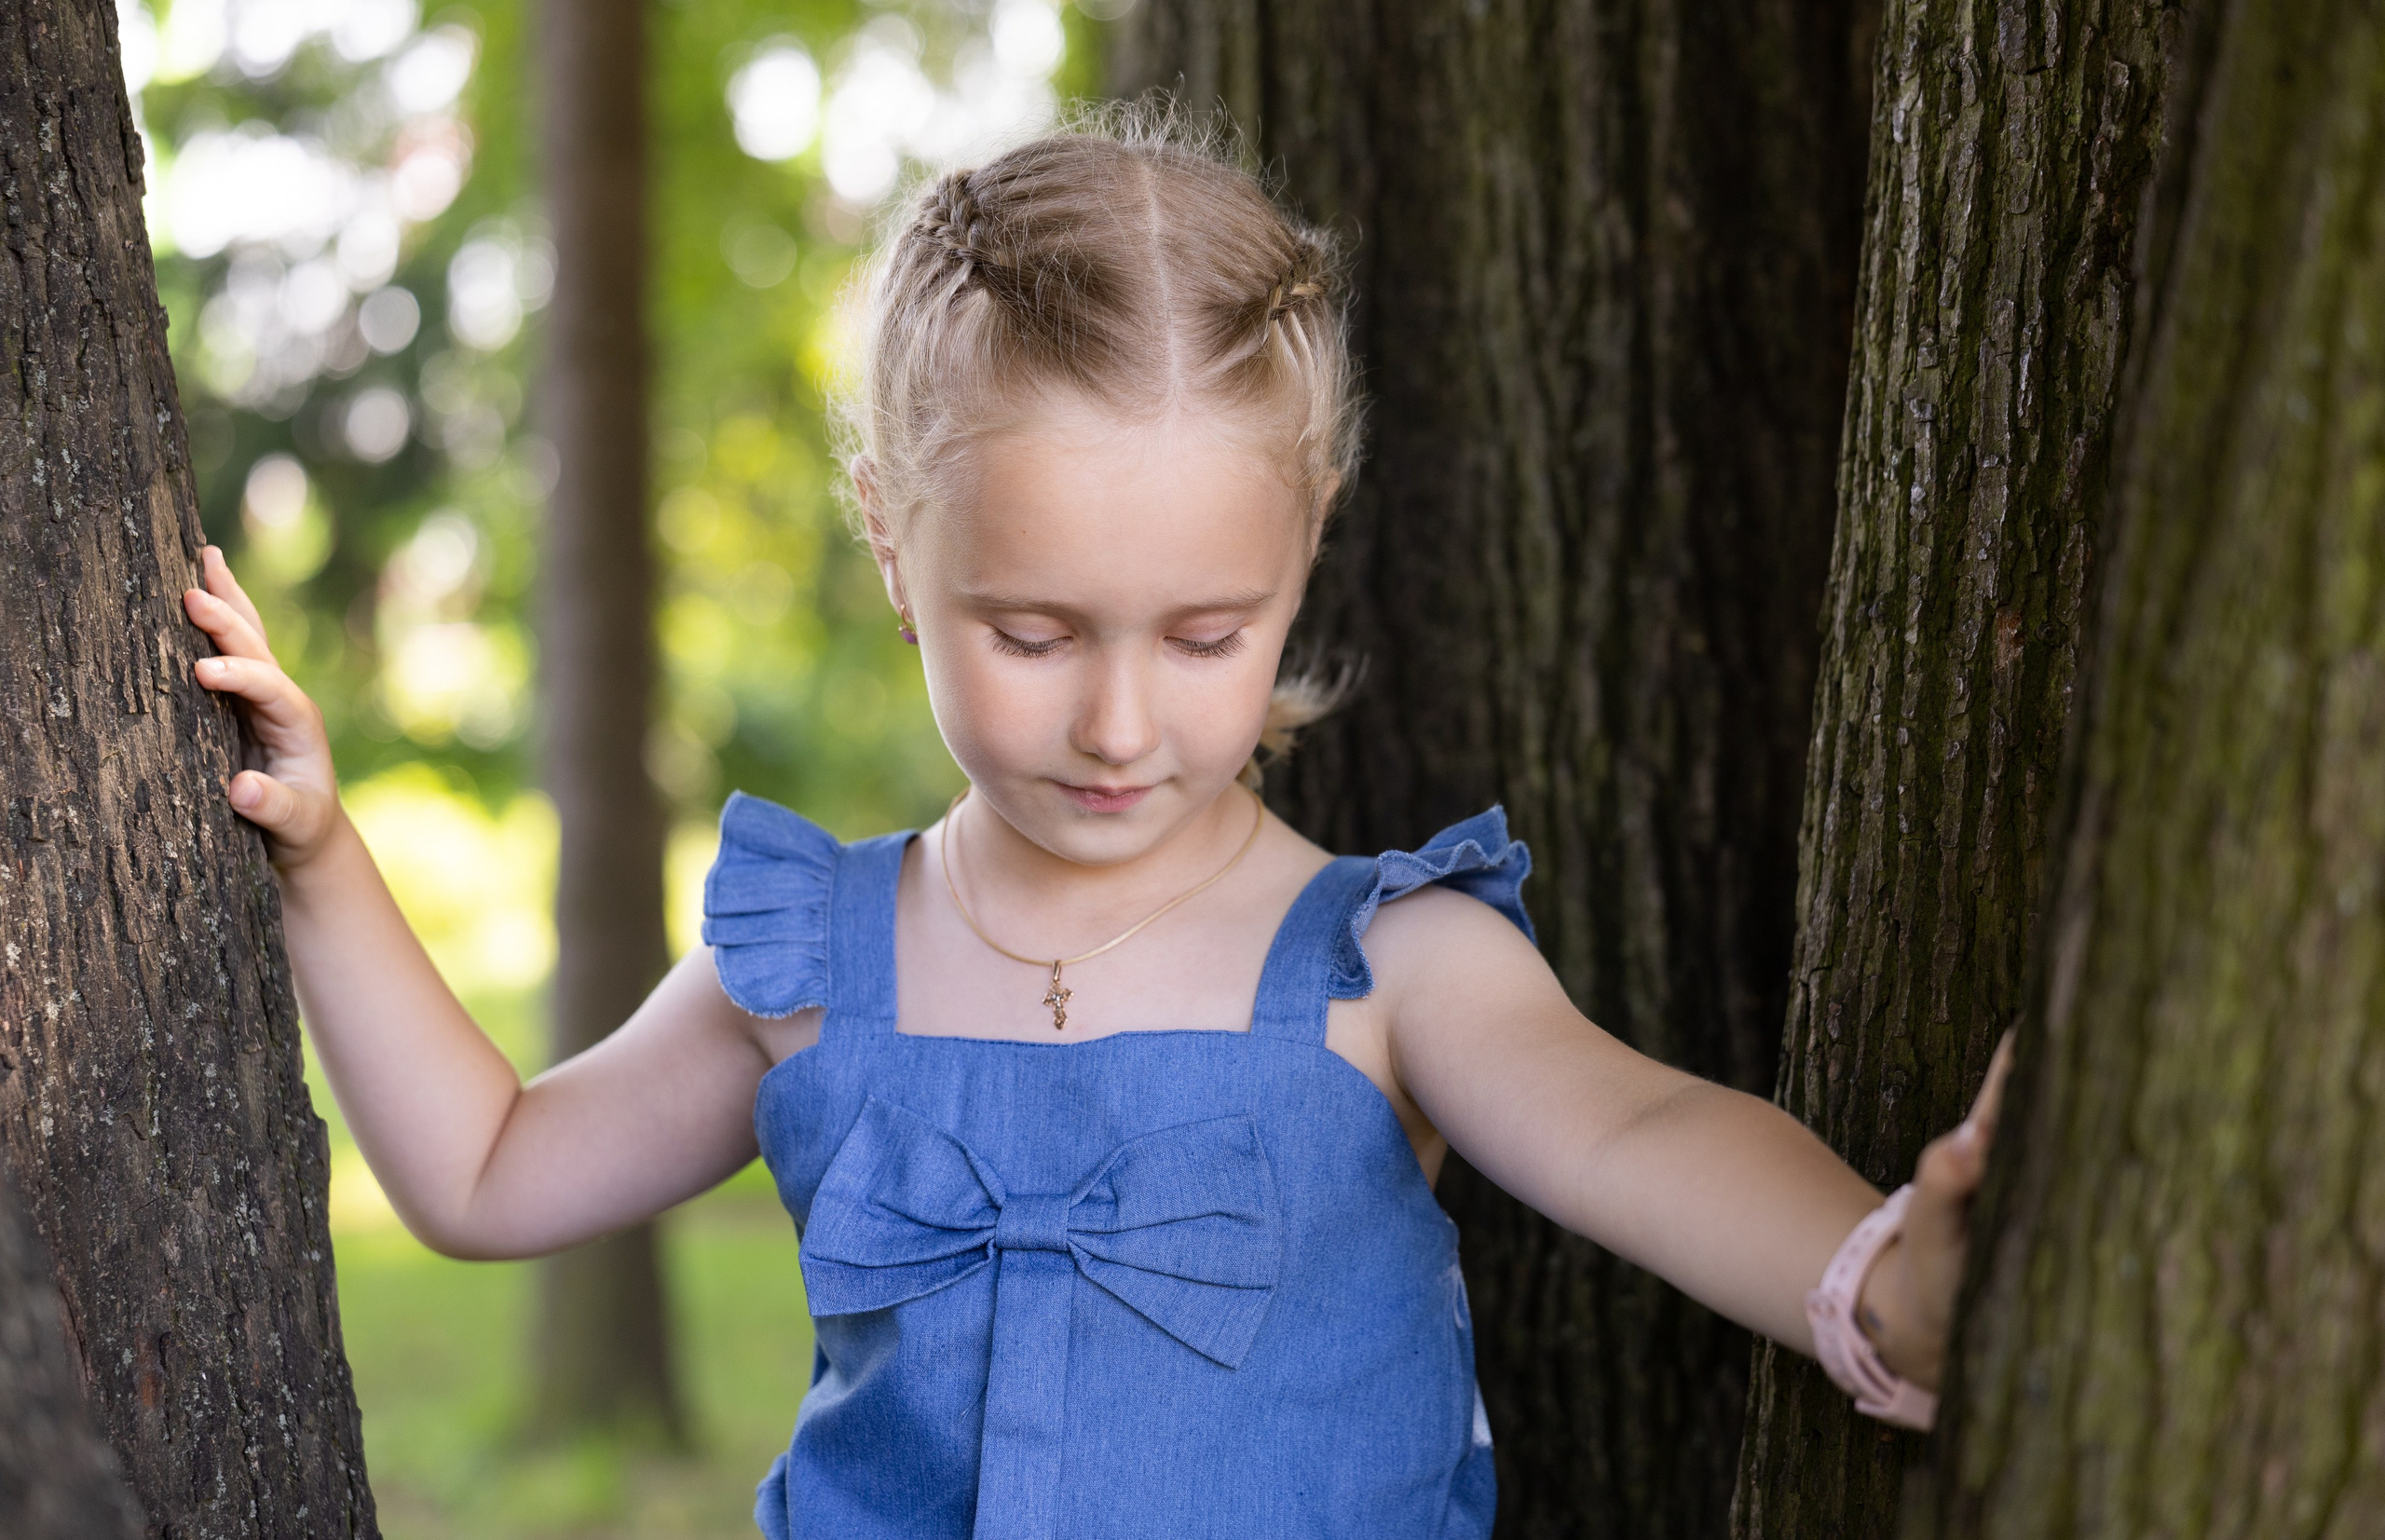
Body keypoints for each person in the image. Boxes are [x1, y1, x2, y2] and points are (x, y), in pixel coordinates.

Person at [185, 116, 2011, 1540]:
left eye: (1206, 634)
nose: (1120, 717)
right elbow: (487, 1172)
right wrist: (322, 858)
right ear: (895, 547)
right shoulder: (814, 960)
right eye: (1033, 632)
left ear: (1302, 552)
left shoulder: (1392, 966)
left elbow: (1636, 1125)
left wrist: (1873, 1275)